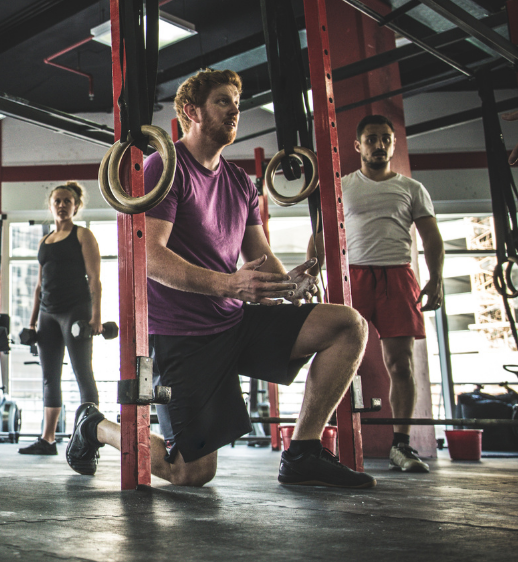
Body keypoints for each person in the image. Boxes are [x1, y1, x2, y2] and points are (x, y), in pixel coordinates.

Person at [65, 68, 374, 488]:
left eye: (237, 104)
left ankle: (302, 451)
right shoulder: (163, 169)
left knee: (346, 325)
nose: (235, 112)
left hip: (234, 323)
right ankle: (95, 425)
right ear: (192, 110)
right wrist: (230, 285)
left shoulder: (240, 182)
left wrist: (290, 287)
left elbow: (259, 260)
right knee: (190, 473)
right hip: (183, 335)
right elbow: (149, 258)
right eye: (223, 102)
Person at [306, 114, 443, 473]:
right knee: (335, 359)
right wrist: (311, 273)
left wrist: (437, 277)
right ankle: (319, 440)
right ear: (358, 145)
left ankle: (401, 446)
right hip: (353, 278)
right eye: (372, 139)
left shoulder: (412, 189)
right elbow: (321, 237)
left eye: (385, 138)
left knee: (401, 364)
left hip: (398, 277)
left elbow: (431, 237)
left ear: (393, 144)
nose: (379, 145)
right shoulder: (342, 186)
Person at [18, 182, 103, 456]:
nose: (63, 205)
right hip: (47, 314)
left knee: (82, 373)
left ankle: (90, 440)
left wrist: (97, 317)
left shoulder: (83, 235)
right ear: (51, 205)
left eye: (68, 201)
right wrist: (31, 323)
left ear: (76, 206)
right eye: (58, 201)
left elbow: (95, 280)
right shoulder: (44, 241)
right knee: (49, 377)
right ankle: (48, 439)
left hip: (75, 311)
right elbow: (39, 286)